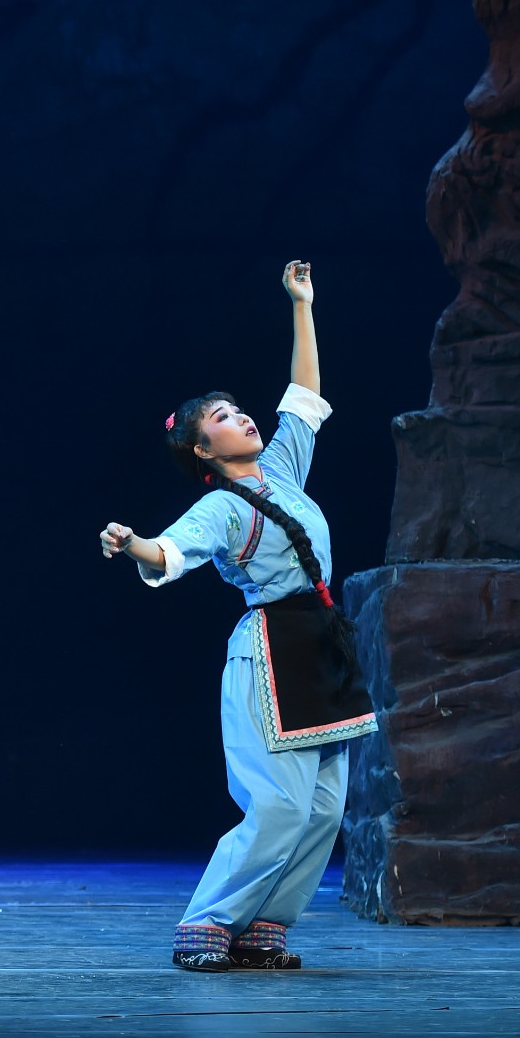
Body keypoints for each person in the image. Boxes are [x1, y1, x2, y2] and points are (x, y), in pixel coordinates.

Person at [98, 261, 377, 973]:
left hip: (322, 643)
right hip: (271, 651)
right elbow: (171, 552)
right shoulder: (221, 507)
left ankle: (264, 925)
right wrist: (132, 543)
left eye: (237, 409)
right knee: (281, 804)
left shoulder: (281, 471)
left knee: (323, 808)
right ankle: (210, 918)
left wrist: (302, 305)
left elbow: (305, 398)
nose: (241, 417)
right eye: (221, 418)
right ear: (203, 451)